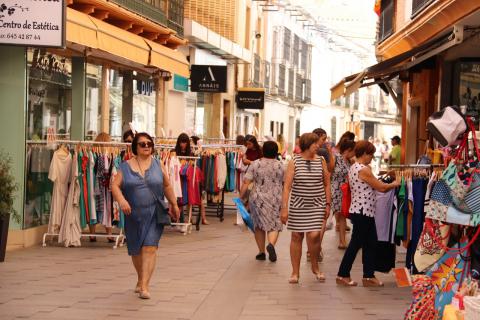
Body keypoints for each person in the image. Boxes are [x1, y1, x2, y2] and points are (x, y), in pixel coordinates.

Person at [112, 132, 180, 299]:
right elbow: (114, 186)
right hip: (133, 215)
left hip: (154, 212)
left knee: (149, 248)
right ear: (135, 147)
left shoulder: (158, 164)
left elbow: (167, 186)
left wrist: (174, 204)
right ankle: (141, 277)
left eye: (149, 143)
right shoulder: (125, 166)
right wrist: (122, 201)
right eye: (142, 144)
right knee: (136, 251)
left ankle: (144, 286)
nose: (146, 146)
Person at [336, 140, 400, 287]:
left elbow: (372, 183)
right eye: (371, 154)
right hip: (362, 211)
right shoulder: (363, 169)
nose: (372, 157)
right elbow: (381, 188)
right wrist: (394, 184)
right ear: (364, 154)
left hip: (365, 211)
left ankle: (368, 275)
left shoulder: (355, 167)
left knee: (371, 243)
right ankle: (342, 274)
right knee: (356, 244)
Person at [281, 133, 331, 284]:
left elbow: (327, 183)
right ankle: (295, 272)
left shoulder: (321, 160)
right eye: (315, 143)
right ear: (306, 144)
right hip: (298, 204)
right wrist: (284, 208)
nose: (318, 145)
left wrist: (328, 204)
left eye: (318, 143)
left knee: (315, 235)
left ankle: (315, 267)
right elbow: (287, 187)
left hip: (317, 203)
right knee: (297, 236)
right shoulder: (294, 161)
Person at [239, 141, 284, 262]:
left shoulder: (255, 164)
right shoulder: (281, 165)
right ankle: (271, 245)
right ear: (276, 152)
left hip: (257, 198)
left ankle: (261, 252)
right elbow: (286, 183)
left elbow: (246, 182)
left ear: (263, 151)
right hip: (275, 198)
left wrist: (240, 197)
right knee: (274, 224)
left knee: (258, 224)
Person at [175, 133, 208, 225]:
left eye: (185, 143)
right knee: (180, 197)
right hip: (178, 177)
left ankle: (189, 218)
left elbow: (194, 165)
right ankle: (179, 218)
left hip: (189, 177)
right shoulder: (174, 152)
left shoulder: (191, 152)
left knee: (189, 196)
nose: (183, 145)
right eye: (181, 142)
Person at [330, 139, 356, 249]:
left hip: (346, 191)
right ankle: (315, 246)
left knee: (342, 217)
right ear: (348, 150)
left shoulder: (350, 161)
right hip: (335, 190)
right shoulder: (335, 158)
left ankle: (342, 241)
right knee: (332, 215)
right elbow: (329, 172)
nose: (355, 153)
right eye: (354, 150)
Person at [89, 132, 115, 242]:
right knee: (107, 208)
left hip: (93, 184)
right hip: (105, 186)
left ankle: (92, 234)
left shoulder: (93, 153)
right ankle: (109, 234)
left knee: (93, 208)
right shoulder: (109, 156)